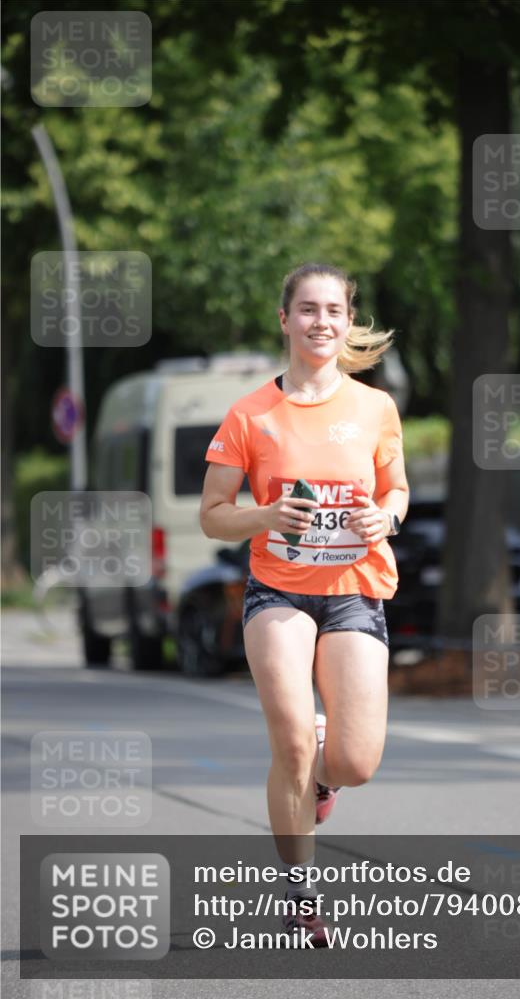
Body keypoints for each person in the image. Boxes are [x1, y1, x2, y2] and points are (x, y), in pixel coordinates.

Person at [200, 262, 409, 945]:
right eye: (307, 309)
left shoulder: (375, 408)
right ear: (284, 319)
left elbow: (395, 490)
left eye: (334, 311)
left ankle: (325, 772)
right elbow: (211, 515)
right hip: (278, 590)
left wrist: (386, 517)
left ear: (347, 323)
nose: (321, 322)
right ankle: (301, 895)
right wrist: (264, 516)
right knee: (288, 740)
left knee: (355, 763)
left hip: (354, 590)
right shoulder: (250, 414)